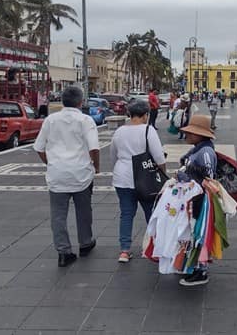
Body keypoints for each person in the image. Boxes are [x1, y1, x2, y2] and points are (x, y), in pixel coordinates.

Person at [33, 86, 100, 267]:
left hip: (57, 175)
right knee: (84, 211)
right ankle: (85, 243)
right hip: (81, 174)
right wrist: (97, 167)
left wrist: (51, 163)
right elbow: (94, 148)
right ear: (80, 102)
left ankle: (63, 252)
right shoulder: (86, 120)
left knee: (58, 216)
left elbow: (39, 147)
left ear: (62, 101)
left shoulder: (50, 120)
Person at [109, 99, 166, 262]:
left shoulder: (119, 131)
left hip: (122, 178)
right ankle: (154, 248)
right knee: (151, 213)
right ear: (146, 115)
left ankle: (124, 251)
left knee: (126, 213)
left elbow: (113, 155)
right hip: (145, 179)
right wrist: (163, 175)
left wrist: (118, 170)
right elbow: (159, 157)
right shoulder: (148, 130)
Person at [177, 114, 217, 286]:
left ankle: (201, 271)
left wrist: (185, 177)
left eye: (192, 133)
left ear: (202, 135)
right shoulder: (197, 149)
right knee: (193, 233)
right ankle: (194, 267)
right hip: (193, 198)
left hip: (200, 200)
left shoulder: (205, 152)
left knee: (199, 234)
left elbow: (209, 178)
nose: (188, 135)